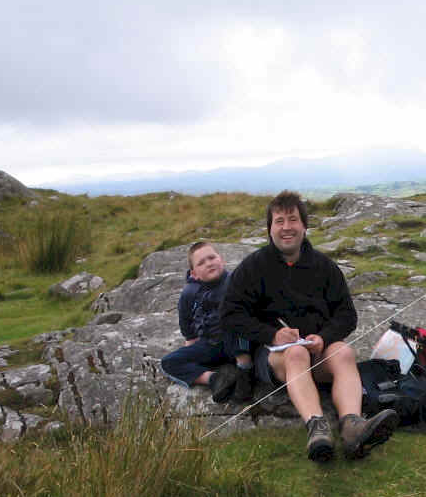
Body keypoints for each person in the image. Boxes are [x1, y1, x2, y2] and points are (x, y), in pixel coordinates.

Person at [220, 190, 398, 462]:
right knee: (296, 353)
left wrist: (324, 338)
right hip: (274, 357)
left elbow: (347, 315)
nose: (286, 227)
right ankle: (317, 428)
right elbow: (231, 314)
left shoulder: (325, 267)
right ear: (270, 229)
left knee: (343, 352)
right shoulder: (253, 267)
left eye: (293, 220)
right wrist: (273, 334)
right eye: (279, 221)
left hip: (318, 352)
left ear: (304, 225)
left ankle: (353, 427)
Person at [161, 242, 254, 402]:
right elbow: (187, 324)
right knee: (169, 362)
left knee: (235, 321)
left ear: (222, 260)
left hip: (240, 343)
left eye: (211, 258)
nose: (209, 263)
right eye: (201, 263)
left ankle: (245, 373)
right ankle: (216, 379)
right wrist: (191, 352)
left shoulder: (236, 282)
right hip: (211, 345)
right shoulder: (190, 293)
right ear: (194, 274)